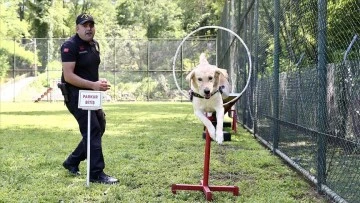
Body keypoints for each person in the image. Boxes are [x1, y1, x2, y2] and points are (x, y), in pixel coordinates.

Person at [59, 13, 118, 184]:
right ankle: (95, 173)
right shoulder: (69, 46)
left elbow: (89, 71)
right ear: (77, 28)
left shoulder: (94, 45)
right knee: (92, 130)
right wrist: (93, 85)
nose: (89, 28)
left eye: (91, 25)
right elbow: (68, 76)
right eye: (84, 25)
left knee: (99, 127)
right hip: (75, 95)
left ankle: (72, 161)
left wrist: (98, 83)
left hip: (91, 94)